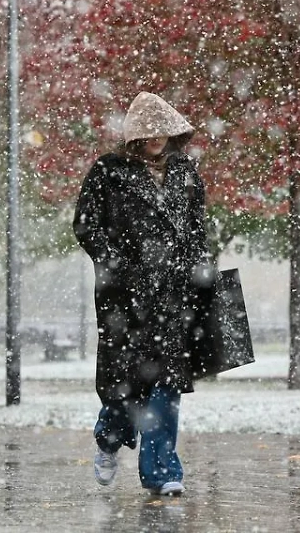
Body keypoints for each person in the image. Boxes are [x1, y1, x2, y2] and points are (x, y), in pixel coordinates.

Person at [73, 91, 216, 497]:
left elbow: (195, 230)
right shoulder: (107, 171)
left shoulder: (185, 172)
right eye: (149, 131)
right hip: (125, 300)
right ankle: (108, 440)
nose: (157, 137)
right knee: (125, 385)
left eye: (163, 130)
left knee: (167, 385)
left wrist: (201, 270)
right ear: (135, 134)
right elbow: (86, 226)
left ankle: (163, 472)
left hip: (174, 296)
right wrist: (117, 265)